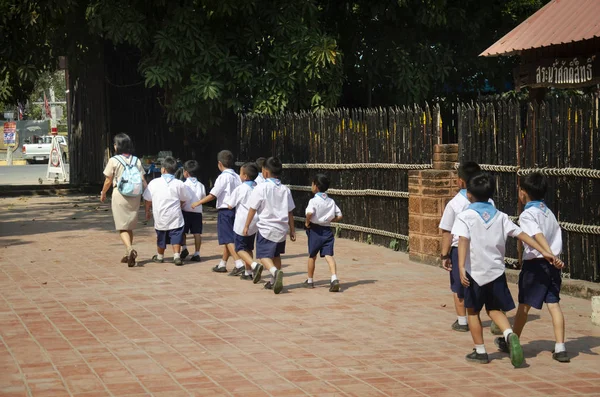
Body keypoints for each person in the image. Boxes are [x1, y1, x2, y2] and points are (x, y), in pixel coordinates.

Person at [451, 172, 560, 367]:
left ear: (469, 194)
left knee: (473, 312)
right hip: (496, 272)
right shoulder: (501, 216)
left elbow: (463, 241)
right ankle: (510, 334)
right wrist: (545, 251)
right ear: (492, 193)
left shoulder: (464, 216)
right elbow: (522, 235)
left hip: (474, 272)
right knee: (494, 309)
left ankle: (481, 351)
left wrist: (460, 266)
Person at [494, 172, 569, 363]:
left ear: (523, 193)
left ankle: (512, 341)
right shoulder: (548, 212)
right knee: (554, 305)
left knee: (524, 306)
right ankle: (560, 347)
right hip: (552, 265)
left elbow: (537, 235)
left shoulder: (528, 214)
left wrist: (547, 253)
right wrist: (553, 256)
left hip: (536, 264)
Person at [439, 162, 494, 332]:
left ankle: (462, 321)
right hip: (482, 249)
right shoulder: (489, 202)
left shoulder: (454, 204)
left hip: (459, 250)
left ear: (460, 181)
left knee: (458, 285)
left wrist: (444, 255)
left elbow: (447, 231)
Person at [243, 157, 296, 294]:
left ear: (265, 172)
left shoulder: (261, 188)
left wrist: (246, 226)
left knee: (263, 256)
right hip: (282, 229)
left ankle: (275, 272)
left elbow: (252, 208)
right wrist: (292, 229)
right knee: (276, 255)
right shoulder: (285, 189)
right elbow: (290, 211)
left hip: (266, 228)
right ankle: (273, 282)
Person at [191, 150, 244, 274]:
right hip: (236, 209)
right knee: (229, 237)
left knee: (227, 239)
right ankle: (222, 263)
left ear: (219, 164)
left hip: (225, 210)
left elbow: (213, 194)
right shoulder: (237, 176)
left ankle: (239, 263)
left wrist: (198, 203)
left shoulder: (223, 177)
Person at [101, 133, 147, 267]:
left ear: (117, 146)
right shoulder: (136, 160)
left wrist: (103, 192)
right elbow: (143, 179)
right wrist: (148, 197)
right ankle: (128, 254)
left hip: (120, 195)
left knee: (122, 226)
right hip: (135, 195)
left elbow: (108, 180)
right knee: (130, 225)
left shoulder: (114, 160)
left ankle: (129, 249)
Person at [143, 157, 191, 266]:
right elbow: (185, 198)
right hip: (175, 215)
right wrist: (179, 204)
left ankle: (160, 256)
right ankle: (177, 256)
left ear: (163, 169)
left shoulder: (154, 183)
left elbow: (147, 200)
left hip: (160, 215)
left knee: (161, 236)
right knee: (176, 236)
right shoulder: (179, 183)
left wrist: (147, 211)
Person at [303, 174, 343, 292]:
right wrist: (332, 220)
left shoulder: (313, 201)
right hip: (327, 230)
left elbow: (309, 213)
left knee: (312, 256)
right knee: (328, 255)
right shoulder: (331, 201)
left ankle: (310, 280)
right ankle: (334, 277)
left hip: (315, 230)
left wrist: (307, 222)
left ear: (315, 186)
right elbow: (340, 215)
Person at [225, 162, 260, 281]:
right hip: (255, 222)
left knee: (239, 249)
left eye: (240, 173)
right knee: (249, 248)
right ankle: (247, 272)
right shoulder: (258, 187)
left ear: (245, 176)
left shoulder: (240, 188)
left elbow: (230, 205)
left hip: (242, 222)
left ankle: (254, 265)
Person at [181, 160, 206, 262]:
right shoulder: (201, 185)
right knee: (197, 233)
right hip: (197, 212)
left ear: (186, 172)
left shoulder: (184, 184)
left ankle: (184, 248)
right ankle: (197, 253)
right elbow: (203, 196)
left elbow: (182, 197)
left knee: (183, 232)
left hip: (185, 211)